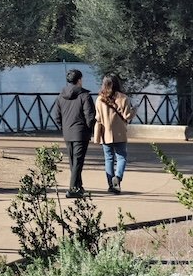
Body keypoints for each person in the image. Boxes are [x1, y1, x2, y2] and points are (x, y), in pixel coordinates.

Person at [53, 68, 96, 198]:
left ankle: (78, 186)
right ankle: (73, 189)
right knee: (78, 161)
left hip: (68, 133)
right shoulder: (85, 96)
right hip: (81, 132)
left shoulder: (61, 96)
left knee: (73, 161)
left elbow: (56, 116)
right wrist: (90, 129)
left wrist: (63, 127)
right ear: (79, 80)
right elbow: (89, 115)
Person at [95, 72, 135, 194]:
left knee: (109, 159)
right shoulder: (123, 98)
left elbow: (98, 117)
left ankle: (110, 185)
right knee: (121, 157)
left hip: (105, 133)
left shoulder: (99, 99)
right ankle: (117, 178)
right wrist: (135, 111)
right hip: (120, 133)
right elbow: (128, 116)